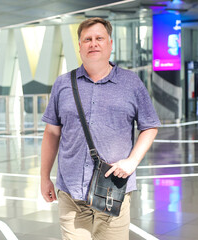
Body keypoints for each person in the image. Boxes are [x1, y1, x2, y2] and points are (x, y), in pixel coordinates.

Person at [40, 17, 161, 240]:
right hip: (71, 193)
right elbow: (52, 133)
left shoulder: (131, 83)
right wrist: (44, 177)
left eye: (99, 38)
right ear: (79, 46)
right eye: (87, 39)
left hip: (112, 190)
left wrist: (132, 161)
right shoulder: (63, 84)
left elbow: (150, 125)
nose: (93, 43)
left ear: (110, 44)